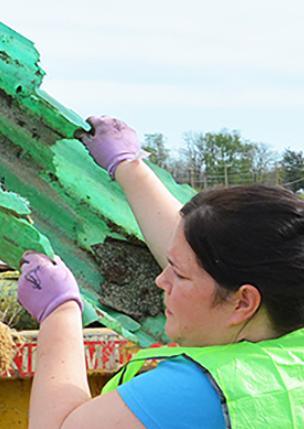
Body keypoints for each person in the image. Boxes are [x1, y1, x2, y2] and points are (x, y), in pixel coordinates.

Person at [17, 115, 304, 429]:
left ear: (243, 303)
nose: (161, 280)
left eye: (178, 275)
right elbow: (213, 258)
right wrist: (129, 167)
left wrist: (59, 313)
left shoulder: (200, 391)